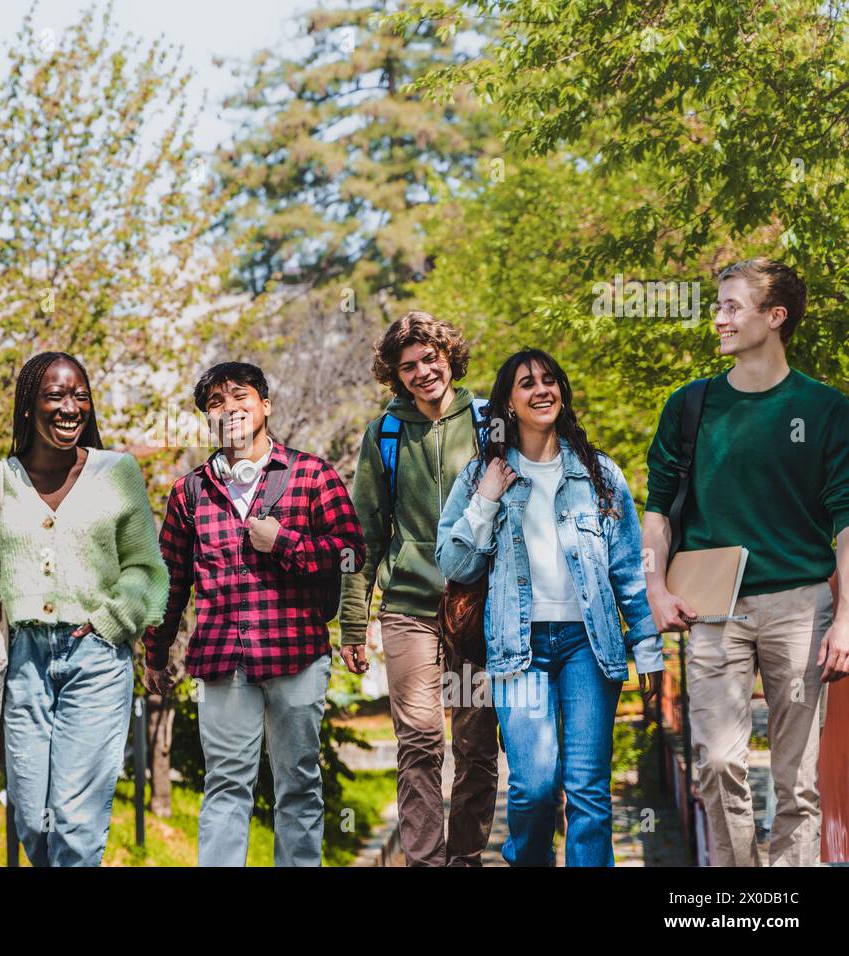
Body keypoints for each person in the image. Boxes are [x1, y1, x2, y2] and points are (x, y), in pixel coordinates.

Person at [642, 258, 849, 867]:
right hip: (712, 605)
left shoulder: (827, 408)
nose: (719, 318)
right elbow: (656, 511)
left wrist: (846, 619)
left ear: (775, 316)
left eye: (732, 306)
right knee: (718, 762)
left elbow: (846, 521)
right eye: (718, 306)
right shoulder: (691, 407)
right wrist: (654, 589)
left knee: (797, 779)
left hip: (801, 606)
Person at [0, 351, 169, 866]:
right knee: (31, 820)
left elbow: (147, 572)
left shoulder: (118, 473)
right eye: (56, 395)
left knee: (76, 823)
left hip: (96, 659)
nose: (70, 407)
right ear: (27, 408)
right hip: (24, 662)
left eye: (79, 395)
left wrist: (108, 621)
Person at [437, 349, 664, 866]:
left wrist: (647, 646)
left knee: (588, 791)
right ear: (508, 403)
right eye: (526, 384)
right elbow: (453, 561)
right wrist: (487, 499)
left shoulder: (599, 473)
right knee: (535, 787)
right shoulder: (481, 475)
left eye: (549, 381)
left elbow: (628, 568)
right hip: (520, 650)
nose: (541, 390)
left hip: (589, 644)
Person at [143, 361, 365, 866]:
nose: (229, 409)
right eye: (215, 403)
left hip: (297, 657)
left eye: (239, 397)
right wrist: (156, 653)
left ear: (265, 405)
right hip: (223, 663)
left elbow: (351, 551)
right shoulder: (189, 492)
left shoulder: (312, 474)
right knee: (224, 785)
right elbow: (171, 582)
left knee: (299, 784)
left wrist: (282, 541)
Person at [339, 311, 500, 866]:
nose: (422, 371)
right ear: (395, 375)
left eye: (430, 358)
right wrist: (354, 622)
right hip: (408, 605)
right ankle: (425, 862)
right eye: (408, 366)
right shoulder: (385, 433)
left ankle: (465, 857)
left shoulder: (489, 421)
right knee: (420, 740)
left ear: (448, 356)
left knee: (477, 746)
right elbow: (363, 530)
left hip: (478, 607)